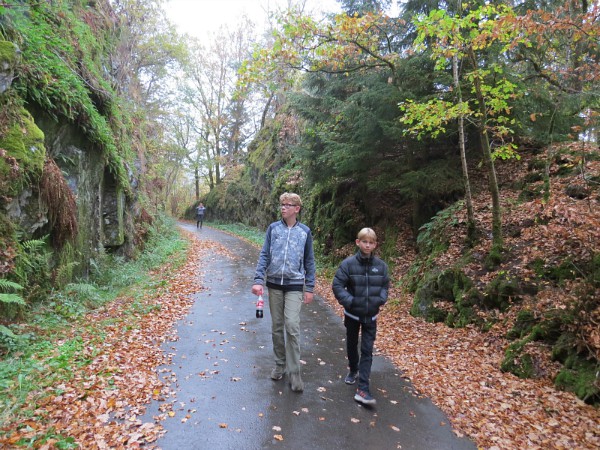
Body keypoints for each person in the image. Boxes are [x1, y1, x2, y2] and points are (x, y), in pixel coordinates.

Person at [251, 192, 315, 393]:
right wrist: (258, 280)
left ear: (297, 209)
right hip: (274, 285)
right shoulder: (273, 229)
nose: (283, 208)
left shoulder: (305, 232)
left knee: (292, 325)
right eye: (281, 205)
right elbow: (264, 254)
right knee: (277, 327)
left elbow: (309, 261)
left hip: (295, 284)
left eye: (287, 205)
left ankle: (294, 372)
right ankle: (280, 364)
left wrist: (310, 287)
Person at [332, 227, 389, 406]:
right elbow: (338, 285)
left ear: (375, 245)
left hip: (371, 316)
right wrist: (350, 302)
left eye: (371, 242)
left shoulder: (381, 266)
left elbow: (385, 286)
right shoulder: (348, 264)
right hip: (352, 315)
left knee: (367, 349)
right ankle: (353, 370)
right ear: (358, 242)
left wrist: (380, 300)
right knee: (351, 343)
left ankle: (363, 388)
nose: (367, 245)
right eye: (364, 241)